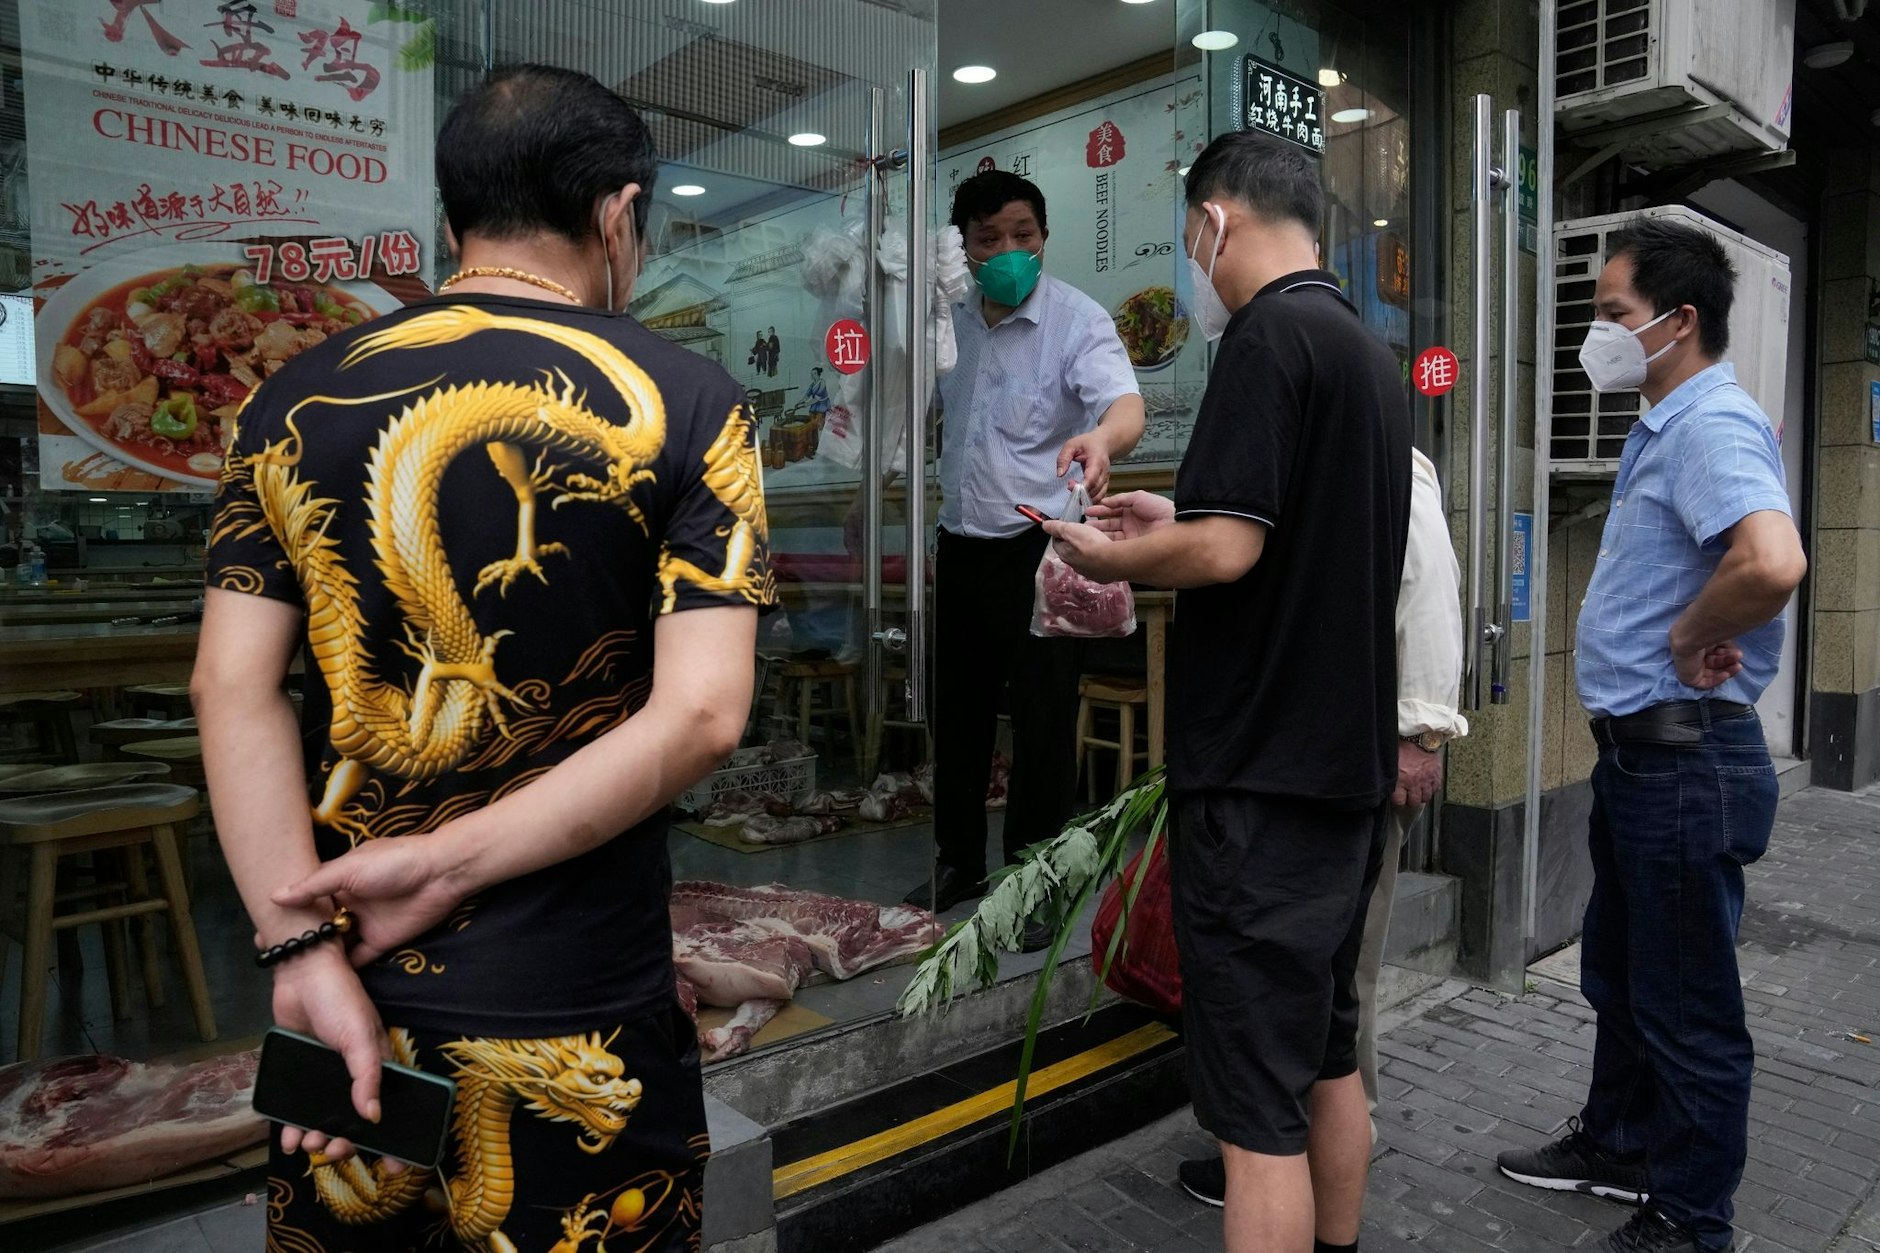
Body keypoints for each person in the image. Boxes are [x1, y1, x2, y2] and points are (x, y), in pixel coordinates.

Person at [194, 65, 773, 1253]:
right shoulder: (693, 399)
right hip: (576, 999)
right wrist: (449, 864)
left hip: (339, 985)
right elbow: (704, 715)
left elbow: (230, 683)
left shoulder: (286, 400)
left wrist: (295, 945)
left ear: (449, 221)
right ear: (619, 214)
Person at [1047, 131, 1409, 1253]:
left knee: (1256, 1121)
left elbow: (1228, 555)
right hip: (1342, 774)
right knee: (1328, 1056)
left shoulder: (1267, 339)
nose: (1194, 261)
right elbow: (1265, 529)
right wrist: (1175, 520)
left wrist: (1107, 560)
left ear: (1215, 219)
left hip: (1259, 776)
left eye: (1191, 232)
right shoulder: (1362, 349)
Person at [1496, 217, 1805, 1253]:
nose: (1598, 332)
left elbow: (1770, 560)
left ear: (1678, 322)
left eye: (1612, 313)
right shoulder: (1666, 422)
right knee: (1622, 976)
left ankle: (1688, 1217)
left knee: (1686, 1005)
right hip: (1643, 757)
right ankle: (1621, 1145)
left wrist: (1689, 631)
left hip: (1683, 761)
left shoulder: (1709, 423)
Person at [1174, 443, 1469, 1208]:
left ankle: (1327, 1142)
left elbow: (1430, 590)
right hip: (1293, 768)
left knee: (1345, 979)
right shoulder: (1297, 460)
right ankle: (1272, 1141)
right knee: (1299, 980)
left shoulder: (1385, 460)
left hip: (1356, 763)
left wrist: (1422, 731)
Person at [902, 170, 1144, 943]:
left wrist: (1102, 441)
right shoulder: (950, 324)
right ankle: (957, 860)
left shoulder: (1076, 320)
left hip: (1042, 549)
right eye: (989, 239)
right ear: (963, 249)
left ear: (1044, 238)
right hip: (962, 543)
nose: (1008, 250)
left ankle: (1036, 880)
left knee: (1043, 721)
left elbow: (1125, 405)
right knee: (961, 713)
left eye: (1023, 235)